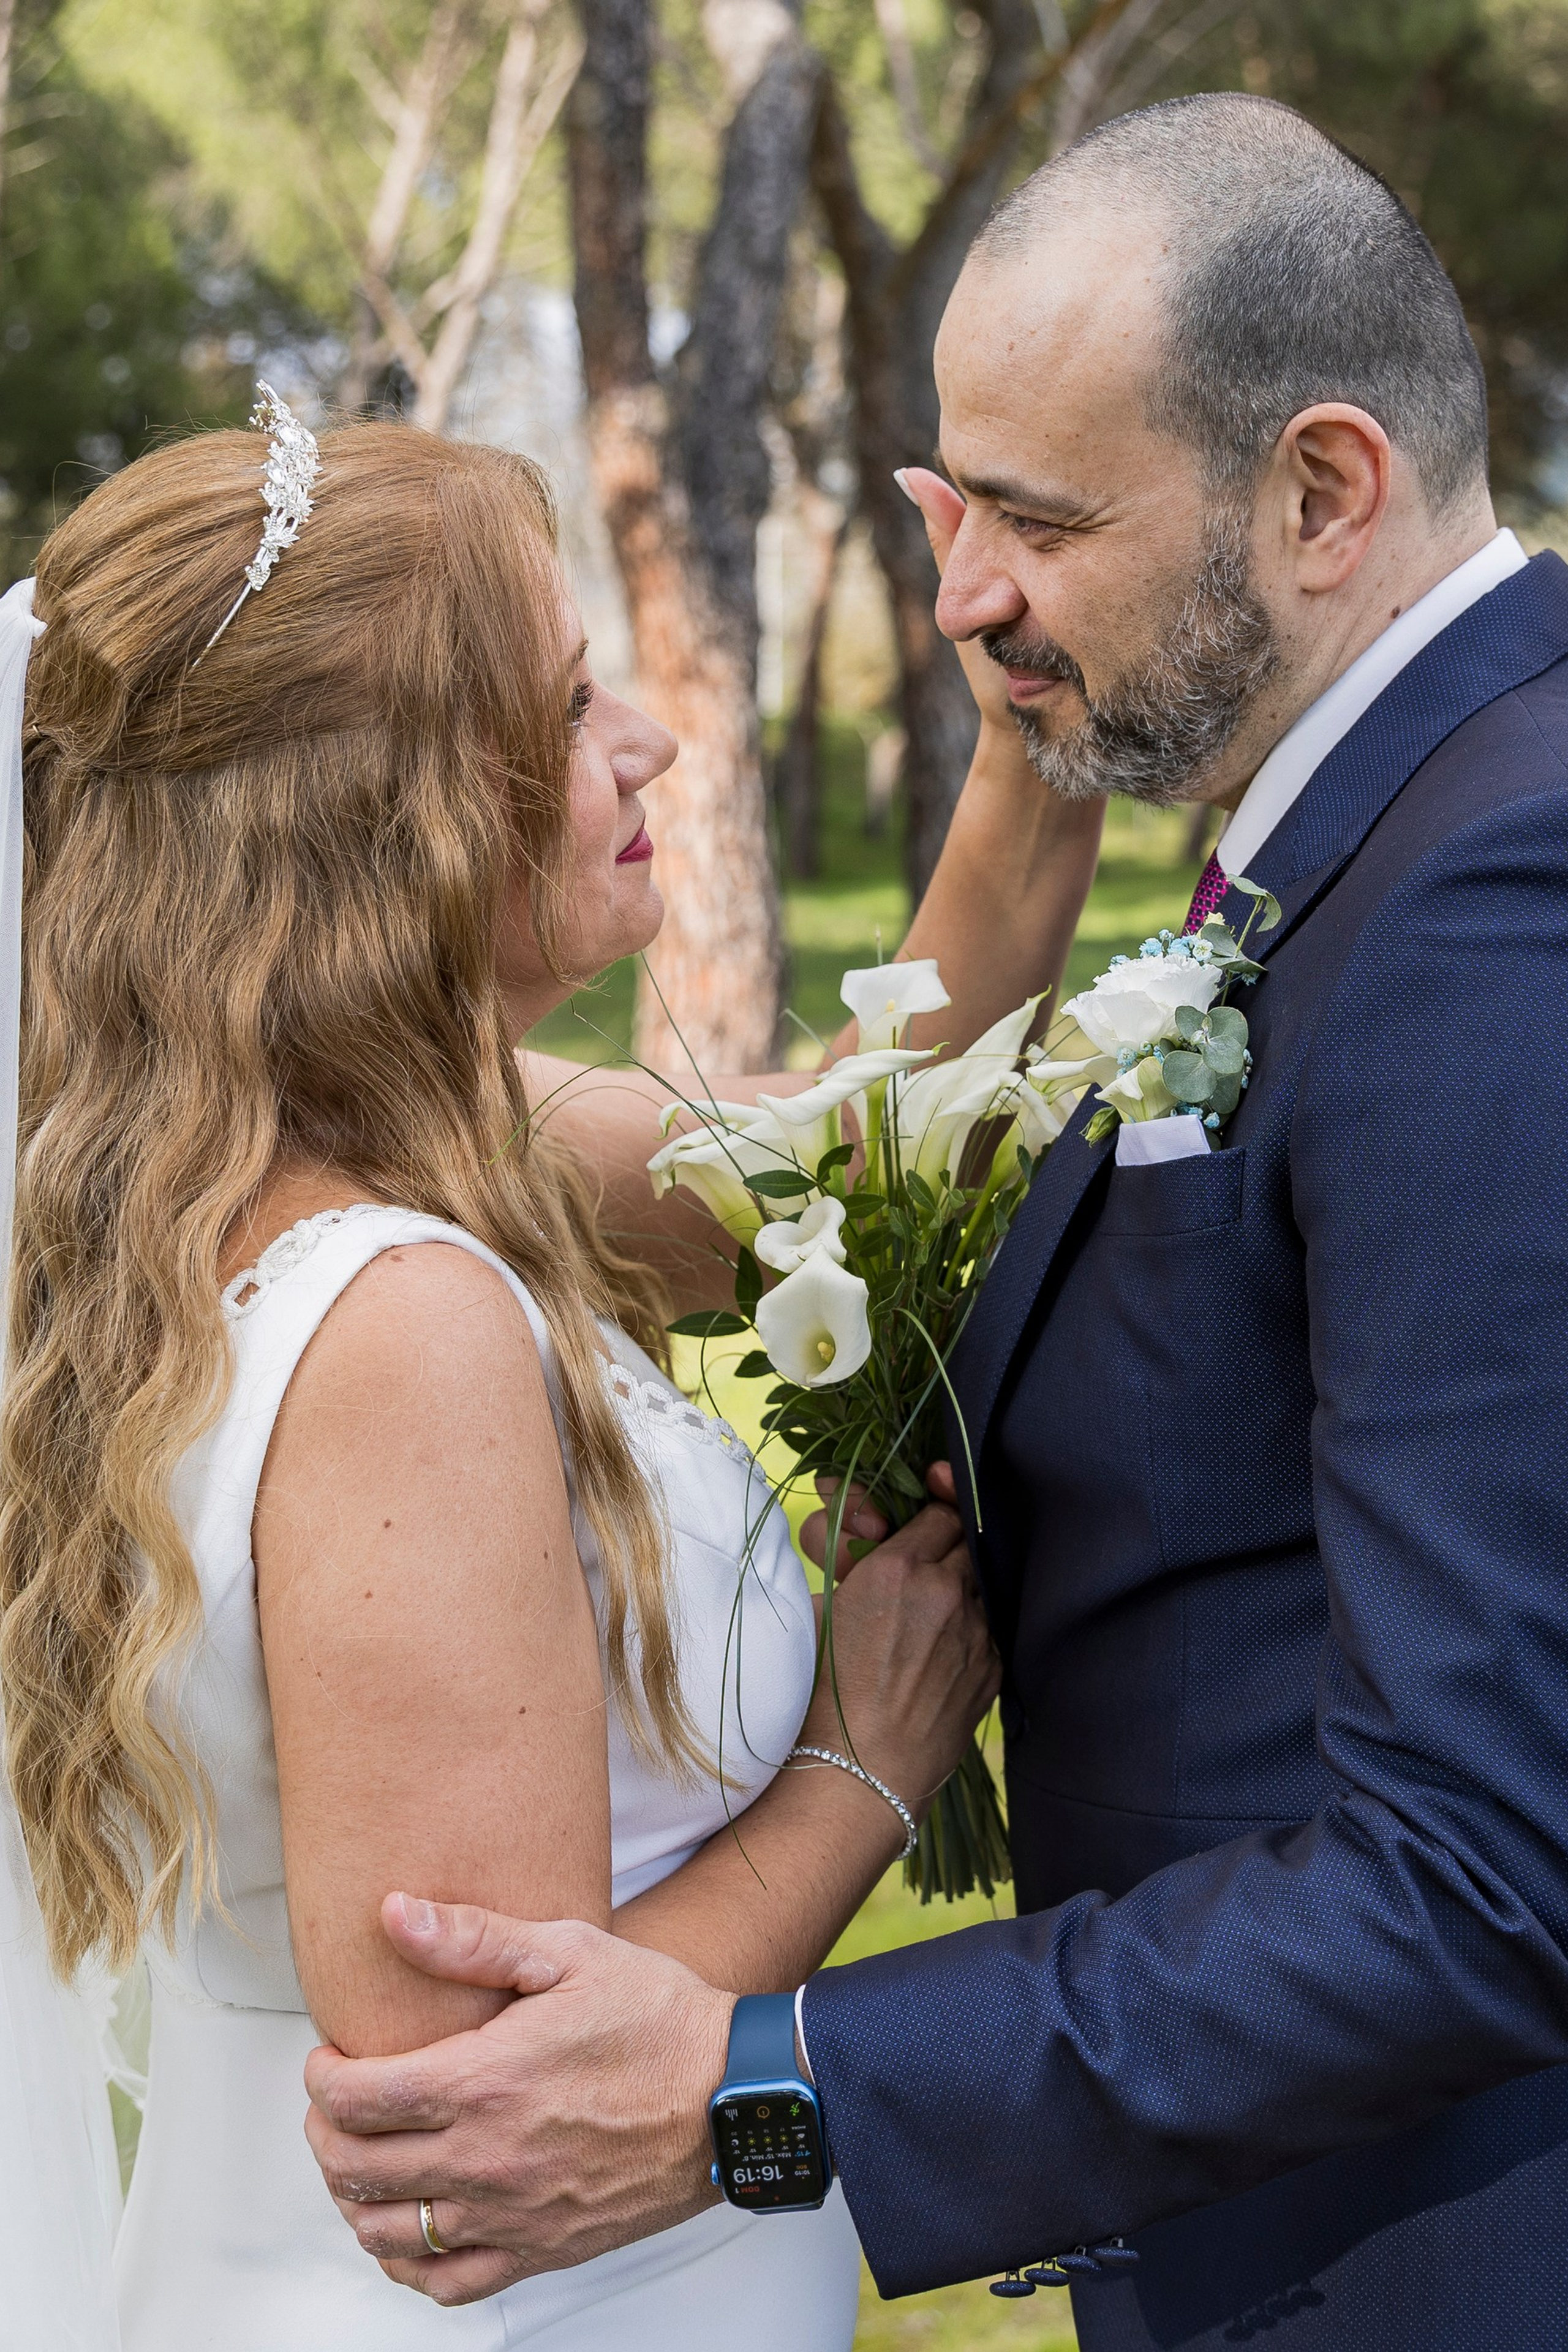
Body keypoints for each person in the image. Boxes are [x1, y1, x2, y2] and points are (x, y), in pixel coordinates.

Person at [304, 92, 1568, 2352]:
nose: (963, 589)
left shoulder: (1494, 901)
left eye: (1036, 519)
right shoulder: (1366, 824)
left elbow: (1488, 1866)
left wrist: (773, 2088)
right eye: (955, 504)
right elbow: (872, 1182)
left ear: (1323, 491)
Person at [0, 411, 1104, 2350]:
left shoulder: (327, 1161)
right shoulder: (402, 1316)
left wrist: (1036, 701)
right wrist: (870, 1754)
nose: (651, 746)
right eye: (574, 701)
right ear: (394, 814)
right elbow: (475, 2110)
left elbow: (876, 1149)